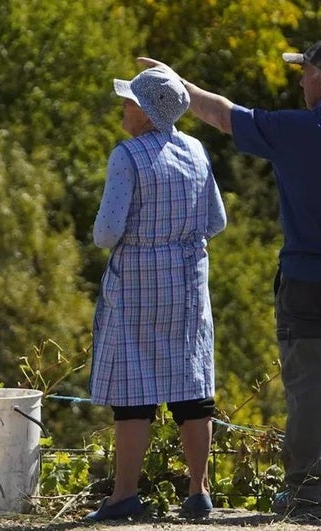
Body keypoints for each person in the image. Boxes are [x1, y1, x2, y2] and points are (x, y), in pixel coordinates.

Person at [138, 37, 321, 518]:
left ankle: (307, 493)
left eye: (304, 73)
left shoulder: (293, 130)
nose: (300, 82)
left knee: (307, 389)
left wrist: (174, 83)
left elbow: (220, 114)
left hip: (309, 284)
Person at [86, 66, 227, 522]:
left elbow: (107, 232)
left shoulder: (126, 157)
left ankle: (124, 495)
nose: (123, 108)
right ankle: (198, 491)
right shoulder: (196, 149)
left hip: (139, 282)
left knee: (133, 391)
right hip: (187, 279)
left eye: (129, 102)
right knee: (192, 385)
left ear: (146, 112)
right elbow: (217, 221)